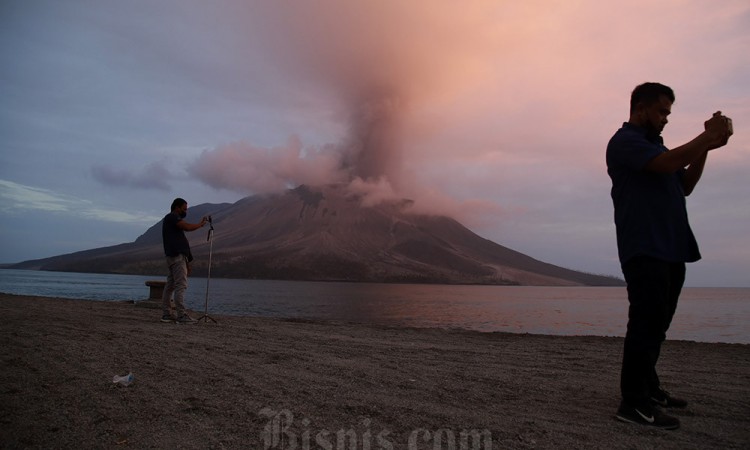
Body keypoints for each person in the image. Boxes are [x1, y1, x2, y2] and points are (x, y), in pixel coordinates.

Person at [606, 82, 733, 429]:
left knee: (657, 326)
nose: (665, 119)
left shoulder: (657, 147)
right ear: (640, 108)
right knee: (645, 325)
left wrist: (707, 145)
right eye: (661, 111)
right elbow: (664, 166)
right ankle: (633, 404)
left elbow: (685, 185)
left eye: (668, 113)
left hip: (672, 247)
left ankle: (648, 388)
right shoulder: (625, 142)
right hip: (644, 247)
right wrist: (705, 138)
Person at [161, 198, 208, 324]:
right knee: (180, 285)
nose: (185, 211)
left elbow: (182, 242)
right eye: (184, 209)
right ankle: (181, 315)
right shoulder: (172, 217)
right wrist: (200, 225)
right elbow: (186, 227)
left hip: (175, 257)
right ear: (177, 207)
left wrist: (187, 263)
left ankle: (166, 314)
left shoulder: (172, 223)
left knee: (170, 285)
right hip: (176, 257)